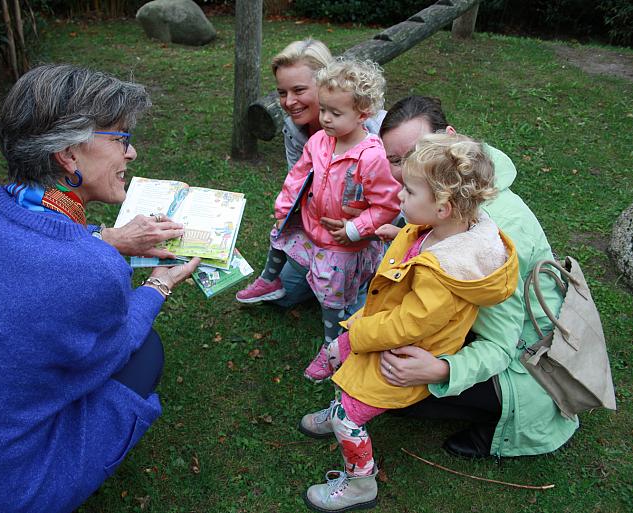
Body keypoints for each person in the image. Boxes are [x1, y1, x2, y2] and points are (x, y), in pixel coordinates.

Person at [0, 64, 200, 513]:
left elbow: (38, 244)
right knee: (145, 351)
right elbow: (116, 349)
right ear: (68, 155)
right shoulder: (92, 271)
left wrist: (111, 240)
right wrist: (158, 286)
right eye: (121, 139)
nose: (133, 153)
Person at [299, 133, 519, 512]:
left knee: (348, 420)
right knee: (342, 361)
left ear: (444, 206)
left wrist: (361, 331)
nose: (399, 196)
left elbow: (410, 324)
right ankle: (338, 403)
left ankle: (360, 484)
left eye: (409, 191)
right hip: (384, 330)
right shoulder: (442, 232)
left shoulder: (444, 271)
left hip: (401, 355)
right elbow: (413, 260)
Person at [376, 96, 578, 461]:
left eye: (415, 152)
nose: (405, 170)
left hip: (526, 362)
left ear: (450, 140)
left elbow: (503, 344)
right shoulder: (447, 190)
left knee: (392, 387)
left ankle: (497, 419)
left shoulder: (492, 242)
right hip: (476, 328)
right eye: (394, 160)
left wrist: (438, 369)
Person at [236, 58, 401, 361]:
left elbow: (388, 204)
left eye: (335, 113)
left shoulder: (372, 156)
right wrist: (285, 206)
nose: (324, 118)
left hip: (343, 243)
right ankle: (269, 279)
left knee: (330, 293)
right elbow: (298, 174)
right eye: (323, 109)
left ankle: (333, 347)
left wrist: (355, 229)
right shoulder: (320, 141)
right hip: (312, 226)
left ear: (363, 113)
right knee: (280, 235)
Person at [269, 38, 390, 310]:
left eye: (299, 90)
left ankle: (365, 289)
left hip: (371, 234)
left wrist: (360, 228)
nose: (289, 102)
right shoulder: (296, 129)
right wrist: (288, 214)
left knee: (349, 301)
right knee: (286, 294)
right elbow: (298, 182)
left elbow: (400, 199)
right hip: (323, 233)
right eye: (282, 92)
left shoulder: (377, 133)